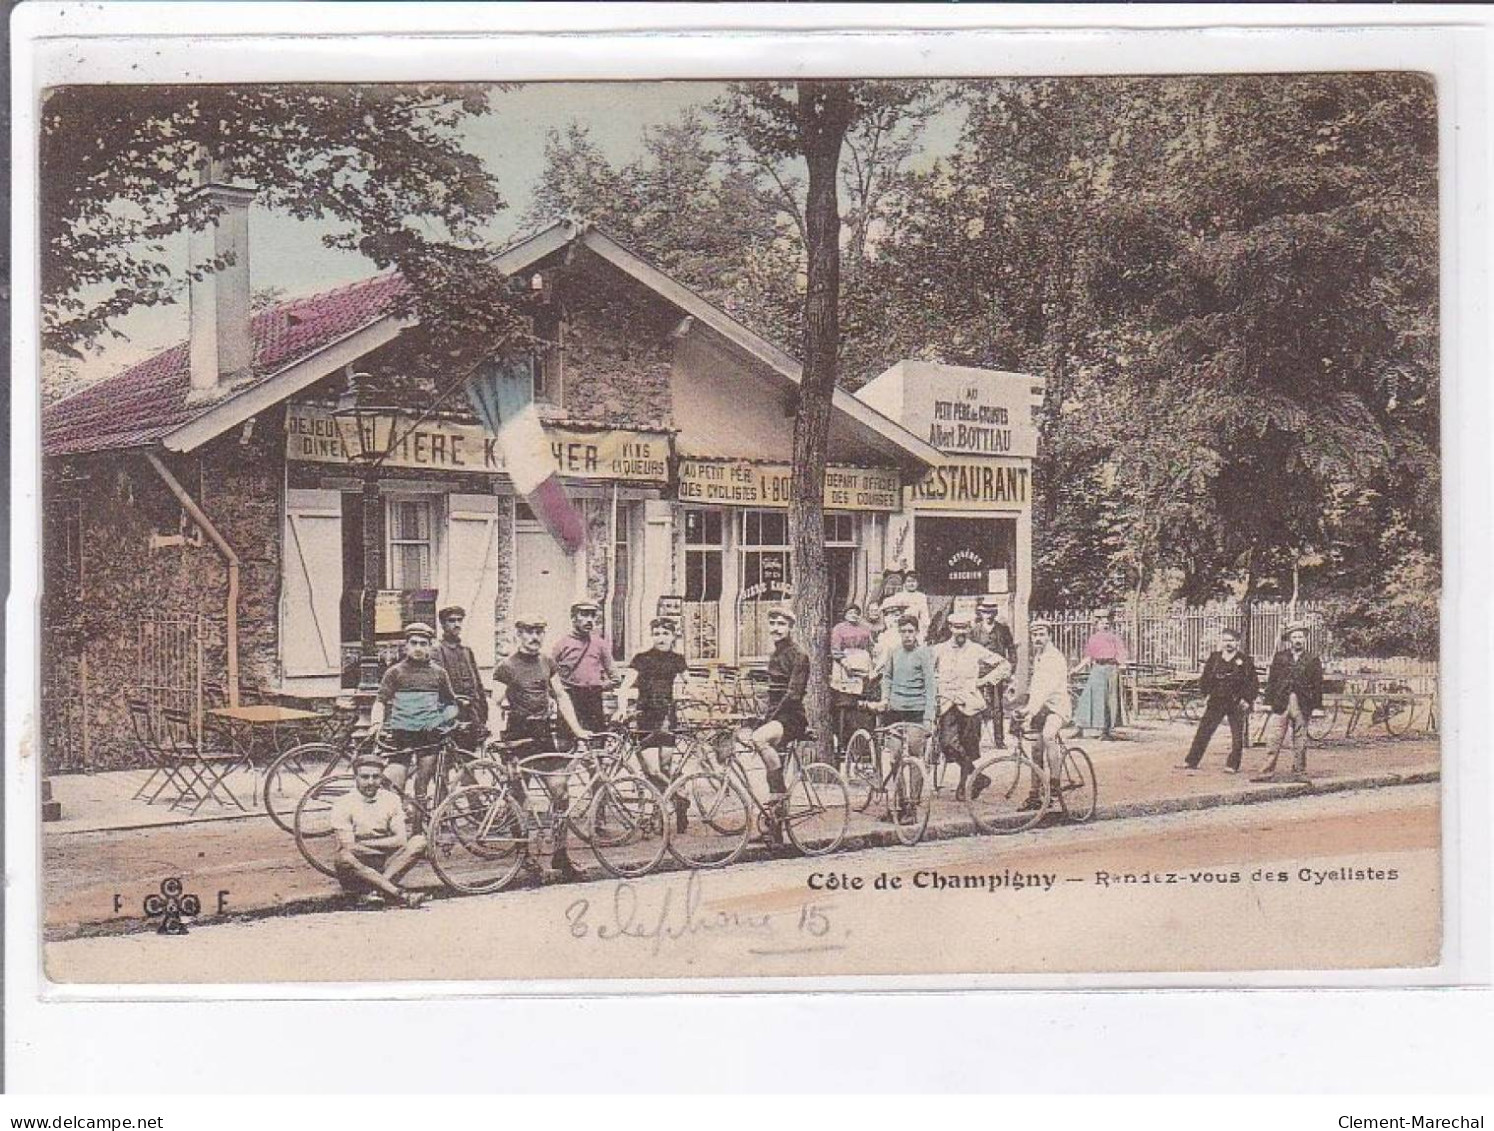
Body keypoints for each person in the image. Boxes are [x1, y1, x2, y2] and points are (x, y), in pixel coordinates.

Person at [494, 613, 595, 877]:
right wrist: (495, 735)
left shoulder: (547, 662)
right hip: (517, 737)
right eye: (528, 632)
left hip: (543, 736)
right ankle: (524, 856)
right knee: (518, 800)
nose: (534, 637)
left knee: (560, 792)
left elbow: (561, 696)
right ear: (518, 635)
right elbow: (494, 703)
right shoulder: (506, 666)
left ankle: (561, 855)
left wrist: (577, 729)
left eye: (538, 632)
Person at [368, 622, 460, 815]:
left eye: (423, 643)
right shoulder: (394, 672)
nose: (418, 648)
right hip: (401, 734)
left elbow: (452, 706)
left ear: (430, 647)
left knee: (422, 785)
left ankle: (422, 828)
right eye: (414, 643)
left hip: (429, 736)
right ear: (406, 646)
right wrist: (376, 723)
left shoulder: (439, 673)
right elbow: (380, 701)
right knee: (394, 784)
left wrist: (438, 720)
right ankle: (395, 823)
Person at [614, 617, 691, 832]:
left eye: (665, 633)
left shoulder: (677, 659)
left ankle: (658, 816)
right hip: (645, 717)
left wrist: (688, 695)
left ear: (673, 635)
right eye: (656, 633)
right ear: (652, 636)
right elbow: (625, 686)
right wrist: (621, 708)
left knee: (665, 767)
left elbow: (689, 684)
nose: (661, 638)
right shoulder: (641, 659)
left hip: (667, 717)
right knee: (651, 770)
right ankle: (680, 797)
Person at [328, 750, 429, 909]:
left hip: (385, 862)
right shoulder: (343, 803)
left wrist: (363, 843)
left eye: (375, 777)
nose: (370, 782)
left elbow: (401, 840)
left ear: (382, 778)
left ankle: (375, 892)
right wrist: (386, 844)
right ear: (355, 777)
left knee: (419, 841)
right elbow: (349, 847)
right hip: (357, 867)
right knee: (344, 857)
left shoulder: (392, 799)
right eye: (365, 777)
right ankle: (399, 894)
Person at [933, 612, 1012, 800]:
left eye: (964, 628)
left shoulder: (976, 650)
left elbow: (1004, 665)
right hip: (946, 703)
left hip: (970, 703)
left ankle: (963, 786)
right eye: (956, 627)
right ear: (950, 628)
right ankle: (979, 776)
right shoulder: (939, 650)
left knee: (968, 746)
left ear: (969, 629)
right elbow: (927, 671)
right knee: (948, 744)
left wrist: (985, 680)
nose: (960, 631)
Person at [749, 606, 810, 843]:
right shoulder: (775, 654)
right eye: (772, 623)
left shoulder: (799, 655)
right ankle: (775, 831)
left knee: (759, 739)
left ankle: (781, 797)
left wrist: (769, 717)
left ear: (791, 627)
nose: (775, 628)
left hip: (792, 717)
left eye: (781, 624)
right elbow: (772, 691)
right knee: (769, 771)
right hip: (776, 716)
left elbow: (793, 694)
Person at [1179, 628, 1259, 774]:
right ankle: (1191, 760)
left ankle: (1232, 764)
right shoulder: (1215, 658)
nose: (1228, 644)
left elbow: (1252, 683)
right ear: (1221, 642)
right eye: (1225, 640)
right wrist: (1206, 694)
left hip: (1236, 702)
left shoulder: (1245, 661)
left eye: (1232, 641)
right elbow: (1205, 678)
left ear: (1237, 643)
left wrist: (1247, 699)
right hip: (1216, 700)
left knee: (1237, 735)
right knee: (1204, 731)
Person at [1253, 624, 1323, 783]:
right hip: (1281, 701)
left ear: (1305, 639)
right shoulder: (1280, 657)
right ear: (1289, 639)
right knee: (1274, 738)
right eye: (1294, 637)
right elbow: (1272, 681)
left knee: (1300, 739)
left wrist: (1318, 707)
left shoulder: (1312, 659)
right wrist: (1268, 702)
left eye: (1300, 637)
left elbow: (1317, 684)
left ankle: (1299, 771)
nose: (1298, 640)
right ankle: (1266, 772)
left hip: (1302, 703)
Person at [1018, 619, 1072, 810]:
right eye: (1035, 635)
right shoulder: (1038, 655)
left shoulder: (1054, 658)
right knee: (1035, 748)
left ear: (1049, 635)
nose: (1038, 638)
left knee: (1049, 735)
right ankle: (1035, 794)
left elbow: (1047, 689)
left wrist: (1030, 710)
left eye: (1042, 634)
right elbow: (1036, 687)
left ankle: (1055, 784)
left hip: (1057, 707)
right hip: (1041, 707)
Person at [869, 614, 937, 763]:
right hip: (895, 709)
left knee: (915, 753)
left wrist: (929, 716)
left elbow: (930, 685)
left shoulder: (924, 654)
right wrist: (885, 698)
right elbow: (887, 677)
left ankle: (916, 787)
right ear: (899, 632)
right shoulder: (894, 651)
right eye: (903, 631)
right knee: (895, 753)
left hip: (916, 710)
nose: (907, 635)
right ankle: (898, 787)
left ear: (917, 632)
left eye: (910, 631)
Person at [551, 599, 617, 739]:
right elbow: (549, 675)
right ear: (573, 618)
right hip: (569, 698)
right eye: (584, 615)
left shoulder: (600, 644)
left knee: (597, 741)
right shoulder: (561, 645)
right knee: (565, 742)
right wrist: (560, 692)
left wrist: (597, 685)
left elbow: (615, 678)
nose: (589, 620)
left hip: (593, 699)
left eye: (593, 616)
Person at [434, 604, 489, 741]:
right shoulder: (437, 651)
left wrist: (483, 711)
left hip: (472, 713)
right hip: (451, 714)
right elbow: (438, 686)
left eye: (459, 620)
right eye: (451, 621)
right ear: (442, 624)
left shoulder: (467, 651)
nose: (456, 624)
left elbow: (478, 683)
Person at [1072, 608, 1128, 740]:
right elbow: (1088, 657)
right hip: (1097, 669)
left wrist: (1122, 664)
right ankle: (1080, 728)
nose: (1105, 625)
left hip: (1111, 669)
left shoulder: (1115, 638)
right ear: (1096, 625)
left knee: (1108, 700)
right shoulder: (1093, 639)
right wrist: (1076, 669)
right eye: (1102, 623)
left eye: (1107, 623)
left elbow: (1121, 653)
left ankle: (1106, 731)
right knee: (1086, 697)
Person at [829, 602, 875, 752]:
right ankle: (843, 742)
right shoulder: (838, 629)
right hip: (845, 665)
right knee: (845, 703)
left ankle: (862, 744)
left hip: (862, 664)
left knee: (860, 704)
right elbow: (835, 649)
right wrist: (844, 662)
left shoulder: (865, 629)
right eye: (850, 612)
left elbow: (870, 647)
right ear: (845, 614)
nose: (853, 615)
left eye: (856, 612)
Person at [971, 597, 1016, 748]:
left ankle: (999, 740)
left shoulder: (1002, 629)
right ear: (981, 613)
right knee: (976, 706)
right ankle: (975, 740)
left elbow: (1011, 649)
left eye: (991, 612)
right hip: (979, 672)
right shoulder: (975, 630)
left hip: (997, 673)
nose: (988, 615)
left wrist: (1011, 668)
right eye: (985, 612)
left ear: (995, 613)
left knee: (997, 708)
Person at [883, 571, 931, 642]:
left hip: (914, 626)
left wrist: (924, 629)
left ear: (917, 583)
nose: (911, 584)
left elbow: (924, 616)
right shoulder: (899, 595)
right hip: (899, 625)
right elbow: (886, 606)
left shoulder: (921, 597)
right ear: (904, 583)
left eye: (914, 581)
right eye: (908, 581)